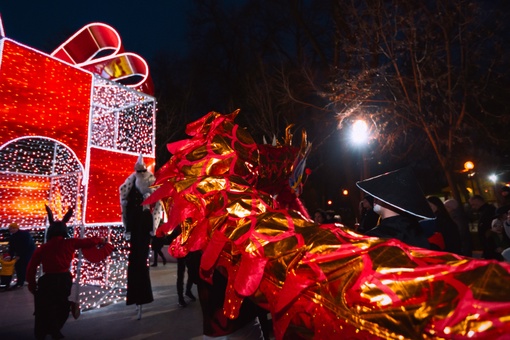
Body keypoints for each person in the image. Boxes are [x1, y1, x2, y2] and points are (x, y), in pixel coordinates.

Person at [26, 206, 113, 340]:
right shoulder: (70, 243)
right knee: (60, 304)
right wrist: (100, 240)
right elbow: (88, 242)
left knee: (45, 308)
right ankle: (57, 327)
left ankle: (45, 332)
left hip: (48, 280)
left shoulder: (43, 248)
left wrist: (31, 284)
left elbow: (32, 267)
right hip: (63, 279)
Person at [356, 167, 433, 249]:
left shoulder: (375, 238)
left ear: (391, 198)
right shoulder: (416, 231)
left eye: (380, 193)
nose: (374, 197)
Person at [119, 154, 155, 319]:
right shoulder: (130, 182)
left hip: (144, 226)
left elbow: (159, 205)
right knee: (135, 263)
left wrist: (153, 226)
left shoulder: (150, 181)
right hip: (135, 227)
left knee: (141, 262)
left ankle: (142, 298)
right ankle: (136, 298)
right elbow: (123, 199)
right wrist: (126, 226)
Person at [8, 222, 36, 287]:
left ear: (16, 228)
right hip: (21, 254)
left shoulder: (24, 235)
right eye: (10, 229)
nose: (11, 230)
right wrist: (10, 256)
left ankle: (24, 281)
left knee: (24, 266)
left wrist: (19, 255)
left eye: (12, 229)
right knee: (19, 266)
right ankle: (21, 281)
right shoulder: (13, 237)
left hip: (27, 253)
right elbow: (11, 247)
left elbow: (26, 246)